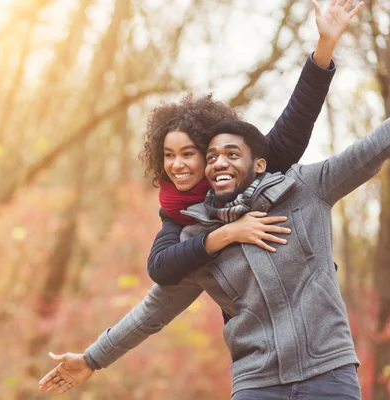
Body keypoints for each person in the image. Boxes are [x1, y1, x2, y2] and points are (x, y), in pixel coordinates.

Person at [37, 0, 365, 396]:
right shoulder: (181, 225)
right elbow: (156, 289)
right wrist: (92, 358)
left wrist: (325, 45)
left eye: (189, 153)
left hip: (325, 367)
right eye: (169, 155)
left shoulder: (260, 178)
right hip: (257, 379)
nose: (177, 166)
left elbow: (297, 119)